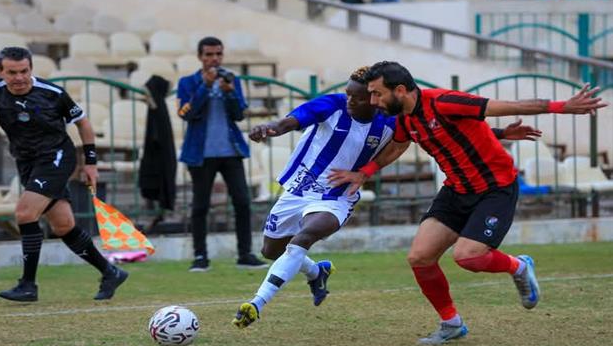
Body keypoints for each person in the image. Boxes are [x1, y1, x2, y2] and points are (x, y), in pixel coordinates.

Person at [232, 67, 539, 329]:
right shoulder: (332, 104)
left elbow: (437, 128)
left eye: (359, 97)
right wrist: (270, 128)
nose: (351, 100)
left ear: (375, 99)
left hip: (339, 196)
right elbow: (291, 121)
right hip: (299, 189)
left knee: (305, 236)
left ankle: (256, 303)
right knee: (271, 251)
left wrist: (497, 133)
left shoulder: (390, 121)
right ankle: (317, 271)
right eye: (349, 95)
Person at [329, 61, 607, 345]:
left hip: (495, 189)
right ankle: (451, 324)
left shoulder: (445, 102)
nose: (373, 101)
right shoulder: (406, 119)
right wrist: (365, 173)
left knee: (469, 257)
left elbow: (507, 105)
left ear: (400, 90)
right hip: (456, 191)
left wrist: (562, 106)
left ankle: (519, 267)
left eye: (377, 94)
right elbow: (400, 144)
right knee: (420, 257)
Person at [0, 47, 128, 302]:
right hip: (27, 161)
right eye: (12, 72)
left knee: (24, 213)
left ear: (31, 69)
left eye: (24, 71)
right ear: (0, 72)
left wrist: (91, 163)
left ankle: (28, 285)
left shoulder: (52, 93)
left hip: (56, 157)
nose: (19, 78)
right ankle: (110, 272)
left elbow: (83, 123)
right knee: (63, 226)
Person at [177, 36, 267, 272]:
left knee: (242, 202)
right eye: (208, 54)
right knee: (200, 206)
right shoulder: (188, 82)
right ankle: (200, 257)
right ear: (200, 57)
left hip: (231, 151)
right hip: (200, 154)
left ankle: (245, 254)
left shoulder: (231, 80)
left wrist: (229, 93)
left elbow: (239, 114)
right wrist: (205, 87)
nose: (214, 59)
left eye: (218, 54)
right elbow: (186, 114)